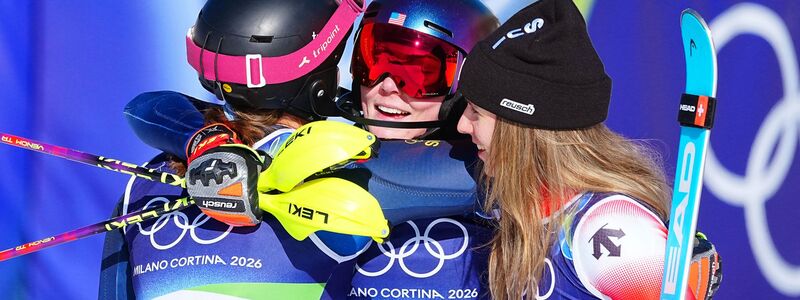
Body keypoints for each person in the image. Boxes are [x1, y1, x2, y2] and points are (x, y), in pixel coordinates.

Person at [101, 0, 495, 299]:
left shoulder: (146, 182)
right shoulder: (332, 159)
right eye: (372, 61)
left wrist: (201, 139)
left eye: (418, 70)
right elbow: (503, 174)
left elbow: (146, 105)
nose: (387, 86)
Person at [453, 0, 722, 299]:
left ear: (521, 129)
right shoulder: (515, 198)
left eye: (477, 112)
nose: (463, 125)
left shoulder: (606, 226)